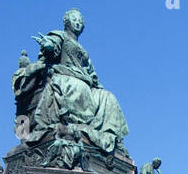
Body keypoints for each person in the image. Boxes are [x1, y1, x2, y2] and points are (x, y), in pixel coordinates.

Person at [29, 10, 129, 153]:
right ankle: (73, 125)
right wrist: (48, 46)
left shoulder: (83, 50)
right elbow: (52, 47)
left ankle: (114, 140)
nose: (78, 22)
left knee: (108, 97)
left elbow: (92, 73)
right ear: (67, 22)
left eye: (81, 21)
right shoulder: (60, 36)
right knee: (79, 87)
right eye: (75, 19)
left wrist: (97, 86)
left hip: (85, 81)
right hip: (67, 76)